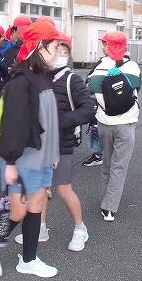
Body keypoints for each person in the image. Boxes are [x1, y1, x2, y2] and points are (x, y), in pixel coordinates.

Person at [0, 21, 62, 278]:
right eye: (55, 47)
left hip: (41, 156)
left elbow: (49, 119)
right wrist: (11, 163)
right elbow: (12, 124)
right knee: (16, 210)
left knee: (36, 203)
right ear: (39, 47)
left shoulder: (43, 77)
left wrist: (53, 154)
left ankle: (28, 259)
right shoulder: (21, 81)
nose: (59, 53)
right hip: (21, 157)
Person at [14, 34, 95, 251]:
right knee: (40, 188)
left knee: (63, 188)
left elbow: (88, 109)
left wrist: (58, 120)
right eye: (55, 50)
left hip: (62, 144)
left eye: (64, 51)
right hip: (40, 144)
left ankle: (80, 228)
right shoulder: (40, 77)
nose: (58, 55)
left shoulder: (72, 79)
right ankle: (40, 228)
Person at [87, 31, 141, 222]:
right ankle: (109, 208)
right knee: (120, 166)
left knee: (107, 163)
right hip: (126, 122)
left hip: (105, 122)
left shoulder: (99, 68)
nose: (102, 46)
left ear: (108, 46)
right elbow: (136, 89)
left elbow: (91, 90)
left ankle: (106, 200)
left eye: (104, 44)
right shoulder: (133, 67)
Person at [0, 15, 33, 153]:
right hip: (11, 85)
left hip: (17, 87)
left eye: (15, 30)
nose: (13, 34)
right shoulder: (21, 47)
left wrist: (12, 69)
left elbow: (6, 67)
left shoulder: (21, 48)